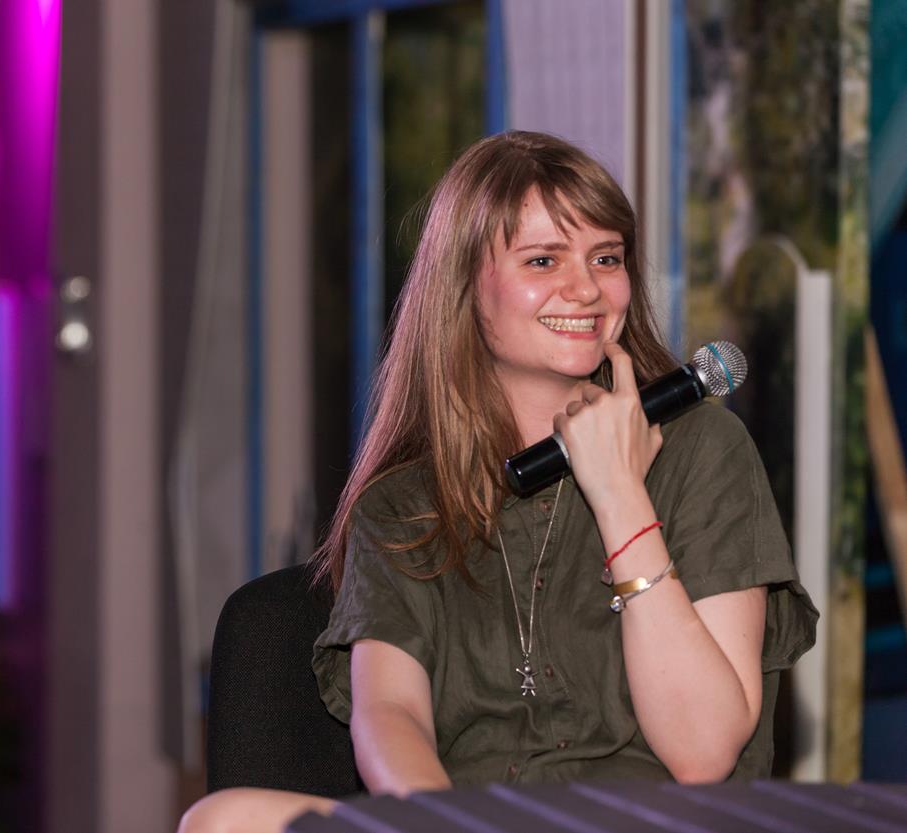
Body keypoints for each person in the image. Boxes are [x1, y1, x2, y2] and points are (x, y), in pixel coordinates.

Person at [179, 130, 817, 833]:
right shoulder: (401, 506)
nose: (586, 288)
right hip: (465, 819)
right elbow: (390, 716)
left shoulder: (703, 449)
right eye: (543, 259)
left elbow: (704, 750)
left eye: (606, 258)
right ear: (465, 289)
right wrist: (453, 823)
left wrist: (619, 494)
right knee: (224, 819)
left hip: (652, 819)